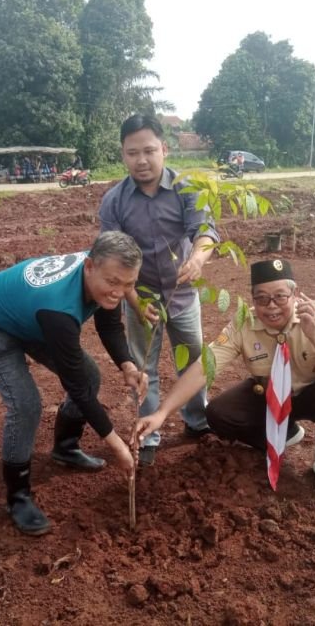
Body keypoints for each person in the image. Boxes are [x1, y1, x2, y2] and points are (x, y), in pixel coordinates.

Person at [0, 231, 147, 535]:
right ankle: (18, 497)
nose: (120, 292)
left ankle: (65, 447)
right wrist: (116, 445)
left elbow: (109, 321)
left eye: (129, 285)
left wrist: (127, 364)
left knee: (90, 374)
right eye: (113, 283)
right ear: (89, 266)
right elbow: (77, 389)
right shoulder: (59, 309)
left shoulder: (108, 268)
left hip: (28, 318)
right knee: (26, 405)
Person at [134, 259, 315, 495]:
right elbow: (204, 366)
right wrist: (162, 412)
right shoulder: (243, 322)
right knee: (219, 413)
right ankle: (283, 434)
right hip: (269, 392)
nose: (271, 306)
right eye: (262, 298)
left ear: (295, 294)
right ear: (253, 299)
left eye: (280, 296)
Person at [98, 114, 219, 467]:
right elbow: (111, 259)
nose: (142, 160)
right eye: (132, 152)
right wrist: (134, 302)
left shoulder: (186, 188)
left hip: (182, 296)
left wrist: (197, 258)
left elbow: (206, 231)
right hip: (140, 299)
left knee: (194, 359)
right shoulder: (115, 201)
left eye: (149, 150)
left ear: (164, 149)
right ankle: (148, 434)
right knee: (142, 366)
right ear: (123, 155)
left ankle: (198, 421)